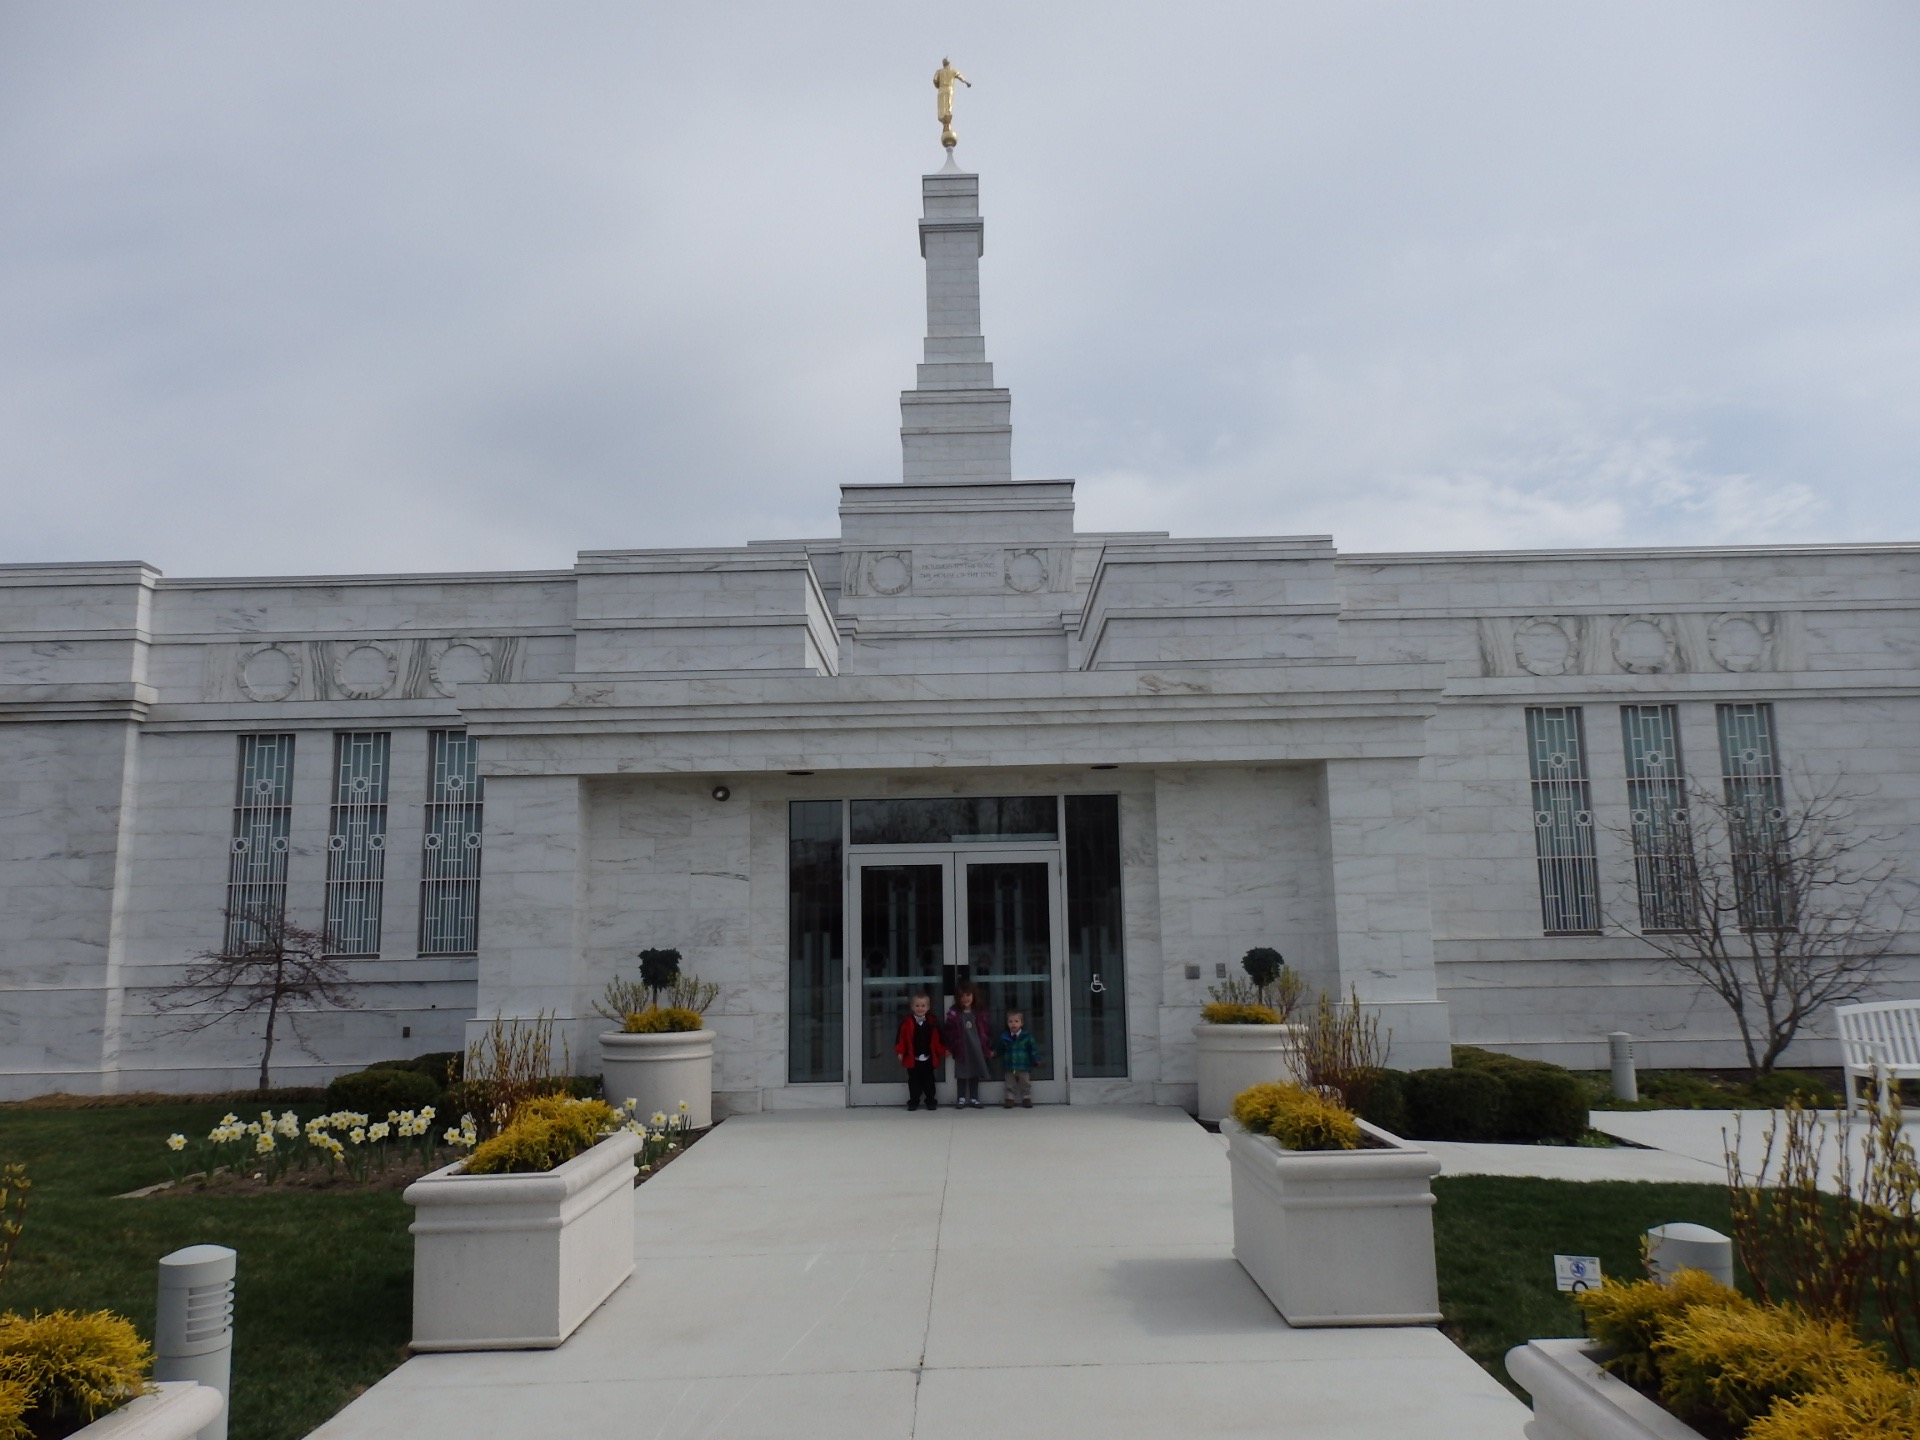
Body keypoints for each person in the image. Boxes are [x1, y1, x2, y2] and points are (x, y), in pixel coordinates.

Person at [944, 982, 994, 1109]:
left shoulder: (979, 1013)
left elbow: (986, 1031)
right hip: (961, 1048)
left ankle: (974, 1097)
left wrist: (987, 1047)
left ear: (973, 996)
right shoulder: (954, 1014)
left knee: (974, 1072)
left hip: (976, 1048)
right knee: (961, 1073)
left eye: (968, 995)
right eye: (961, 996)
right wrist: (949, 1046)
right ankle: (961, 1098)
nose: (965, 998)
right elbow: (949, 1031)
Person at [894, 992, 946, 1111]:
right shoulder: (906, 1023)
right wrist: (900, 1051)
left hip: (928, 1058)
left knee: (929, 1081)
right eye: (917, 1006)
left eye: (923, 1006)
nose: (920, 1008)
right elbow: (901, 1039)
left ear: (928, 1007)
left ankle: (930, 1100)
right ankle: (914, 1101)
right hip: (913, 1058)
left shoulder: (932, 1022)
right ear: (912, 1007)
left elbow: (938, 1039)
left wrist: (943, 1050)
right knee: (913, 1082)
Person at [1000, 1009, 1037, 1108]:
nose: (1013, 1024)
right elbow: (1000, 1048)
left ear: (1021, 1023)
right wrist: (994, 1053)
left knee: (1025, 1083)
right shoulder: (1005, 1037)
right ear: (1007, 1023)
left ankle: (1026, 1098)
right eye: (1011, 1021)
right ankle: (1010, 1098)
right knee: (1009, 1083)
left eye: (1016, 1021)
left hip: (1023, 1065)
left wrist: (1036, 1058)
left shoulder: (1027, 1037)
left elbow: (1033, 1049)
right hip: (1010, 1065)